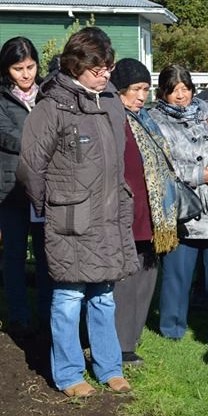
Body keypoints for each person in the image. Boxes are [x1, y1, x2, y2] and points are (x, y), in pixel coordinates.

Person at [17, 27, 138, 397]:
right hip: (70, 219)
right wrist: (54, 205)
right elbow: (29, 168)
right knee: (68, 298)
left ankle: (109, 367)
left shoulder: (112, 103)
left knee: (103, 295)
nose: (105, 74)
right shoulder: (51, 106)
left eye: (108, 67)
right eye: (97, 68)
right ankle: (69, 374)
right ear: (76, 65)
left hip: (110, 216)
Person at [149, 65, 208, 345]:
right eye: (173, 90)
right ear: (163, 92)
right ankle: (172, 328)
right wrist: (197, 175)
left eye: (184, 88)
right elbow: (157, 165)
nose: (180, 95)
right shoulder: (153, 119)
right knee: (177, 275)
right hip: (181, 208)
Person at [112, 58, 181, 366]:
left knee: (147, 275)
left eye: (145, 89)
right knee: (125, 281)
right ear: (120, 89)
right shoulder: (113, 118)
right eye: (136, 89)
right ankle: (121, 344)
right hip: (127, 212)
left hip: (152, 215)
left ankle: (133, 336)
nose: (142, 96)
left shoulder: (146, 120)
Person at [0, 36, 50, 339]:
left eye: (30, 67)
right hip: (11, 190)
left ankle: (46, 314)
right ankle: (19, 315)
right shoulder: (2, 98)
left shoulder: (47, 94)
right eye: (18, 68)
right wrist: (42, 143)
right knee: (15, 256)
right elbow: (7, 136)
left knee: (46, 255)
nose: (26, 74)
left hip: (44, 189)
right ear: (7, 70)